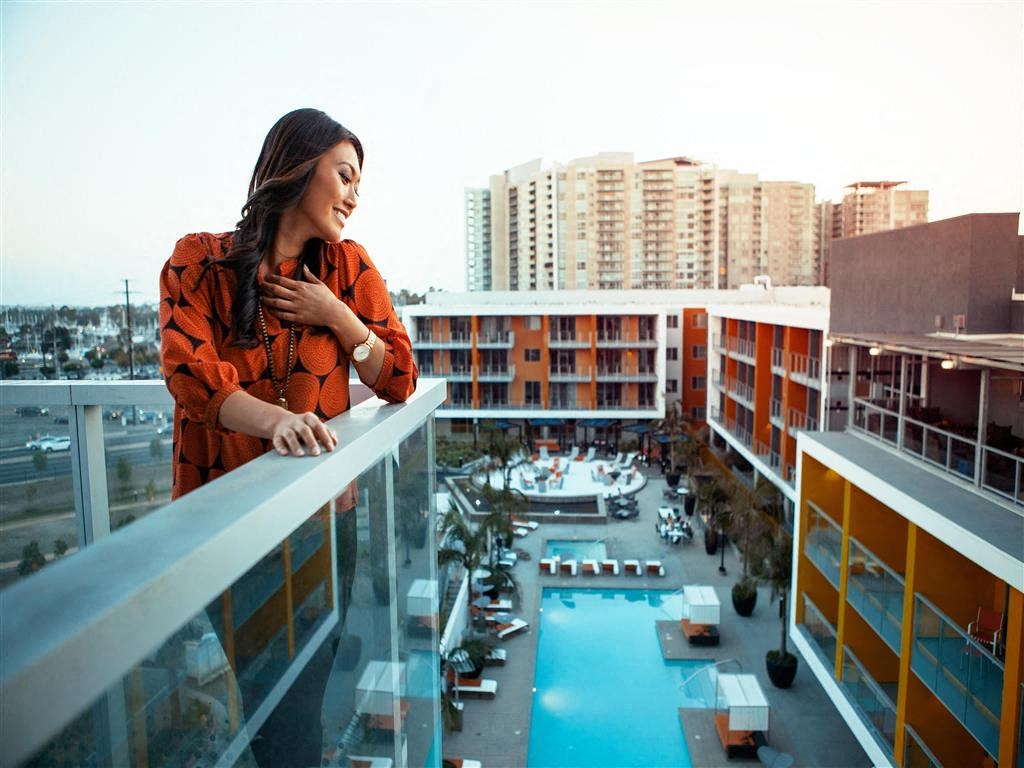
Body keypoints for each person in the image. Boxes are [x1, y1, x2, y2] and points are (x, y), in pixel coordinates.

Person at [159, 108, 417, 766]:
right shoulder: (199, 262)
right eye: (345, 175)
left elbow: (401, 379)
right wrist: (277, 421)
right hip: (229, 533)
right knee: (276, 713)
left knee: (297, 707)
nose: (356, 195)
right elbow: (189, 374)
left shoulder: (347, 270)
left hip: (327, 529)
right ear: (297, 170)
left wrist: (340, 318)